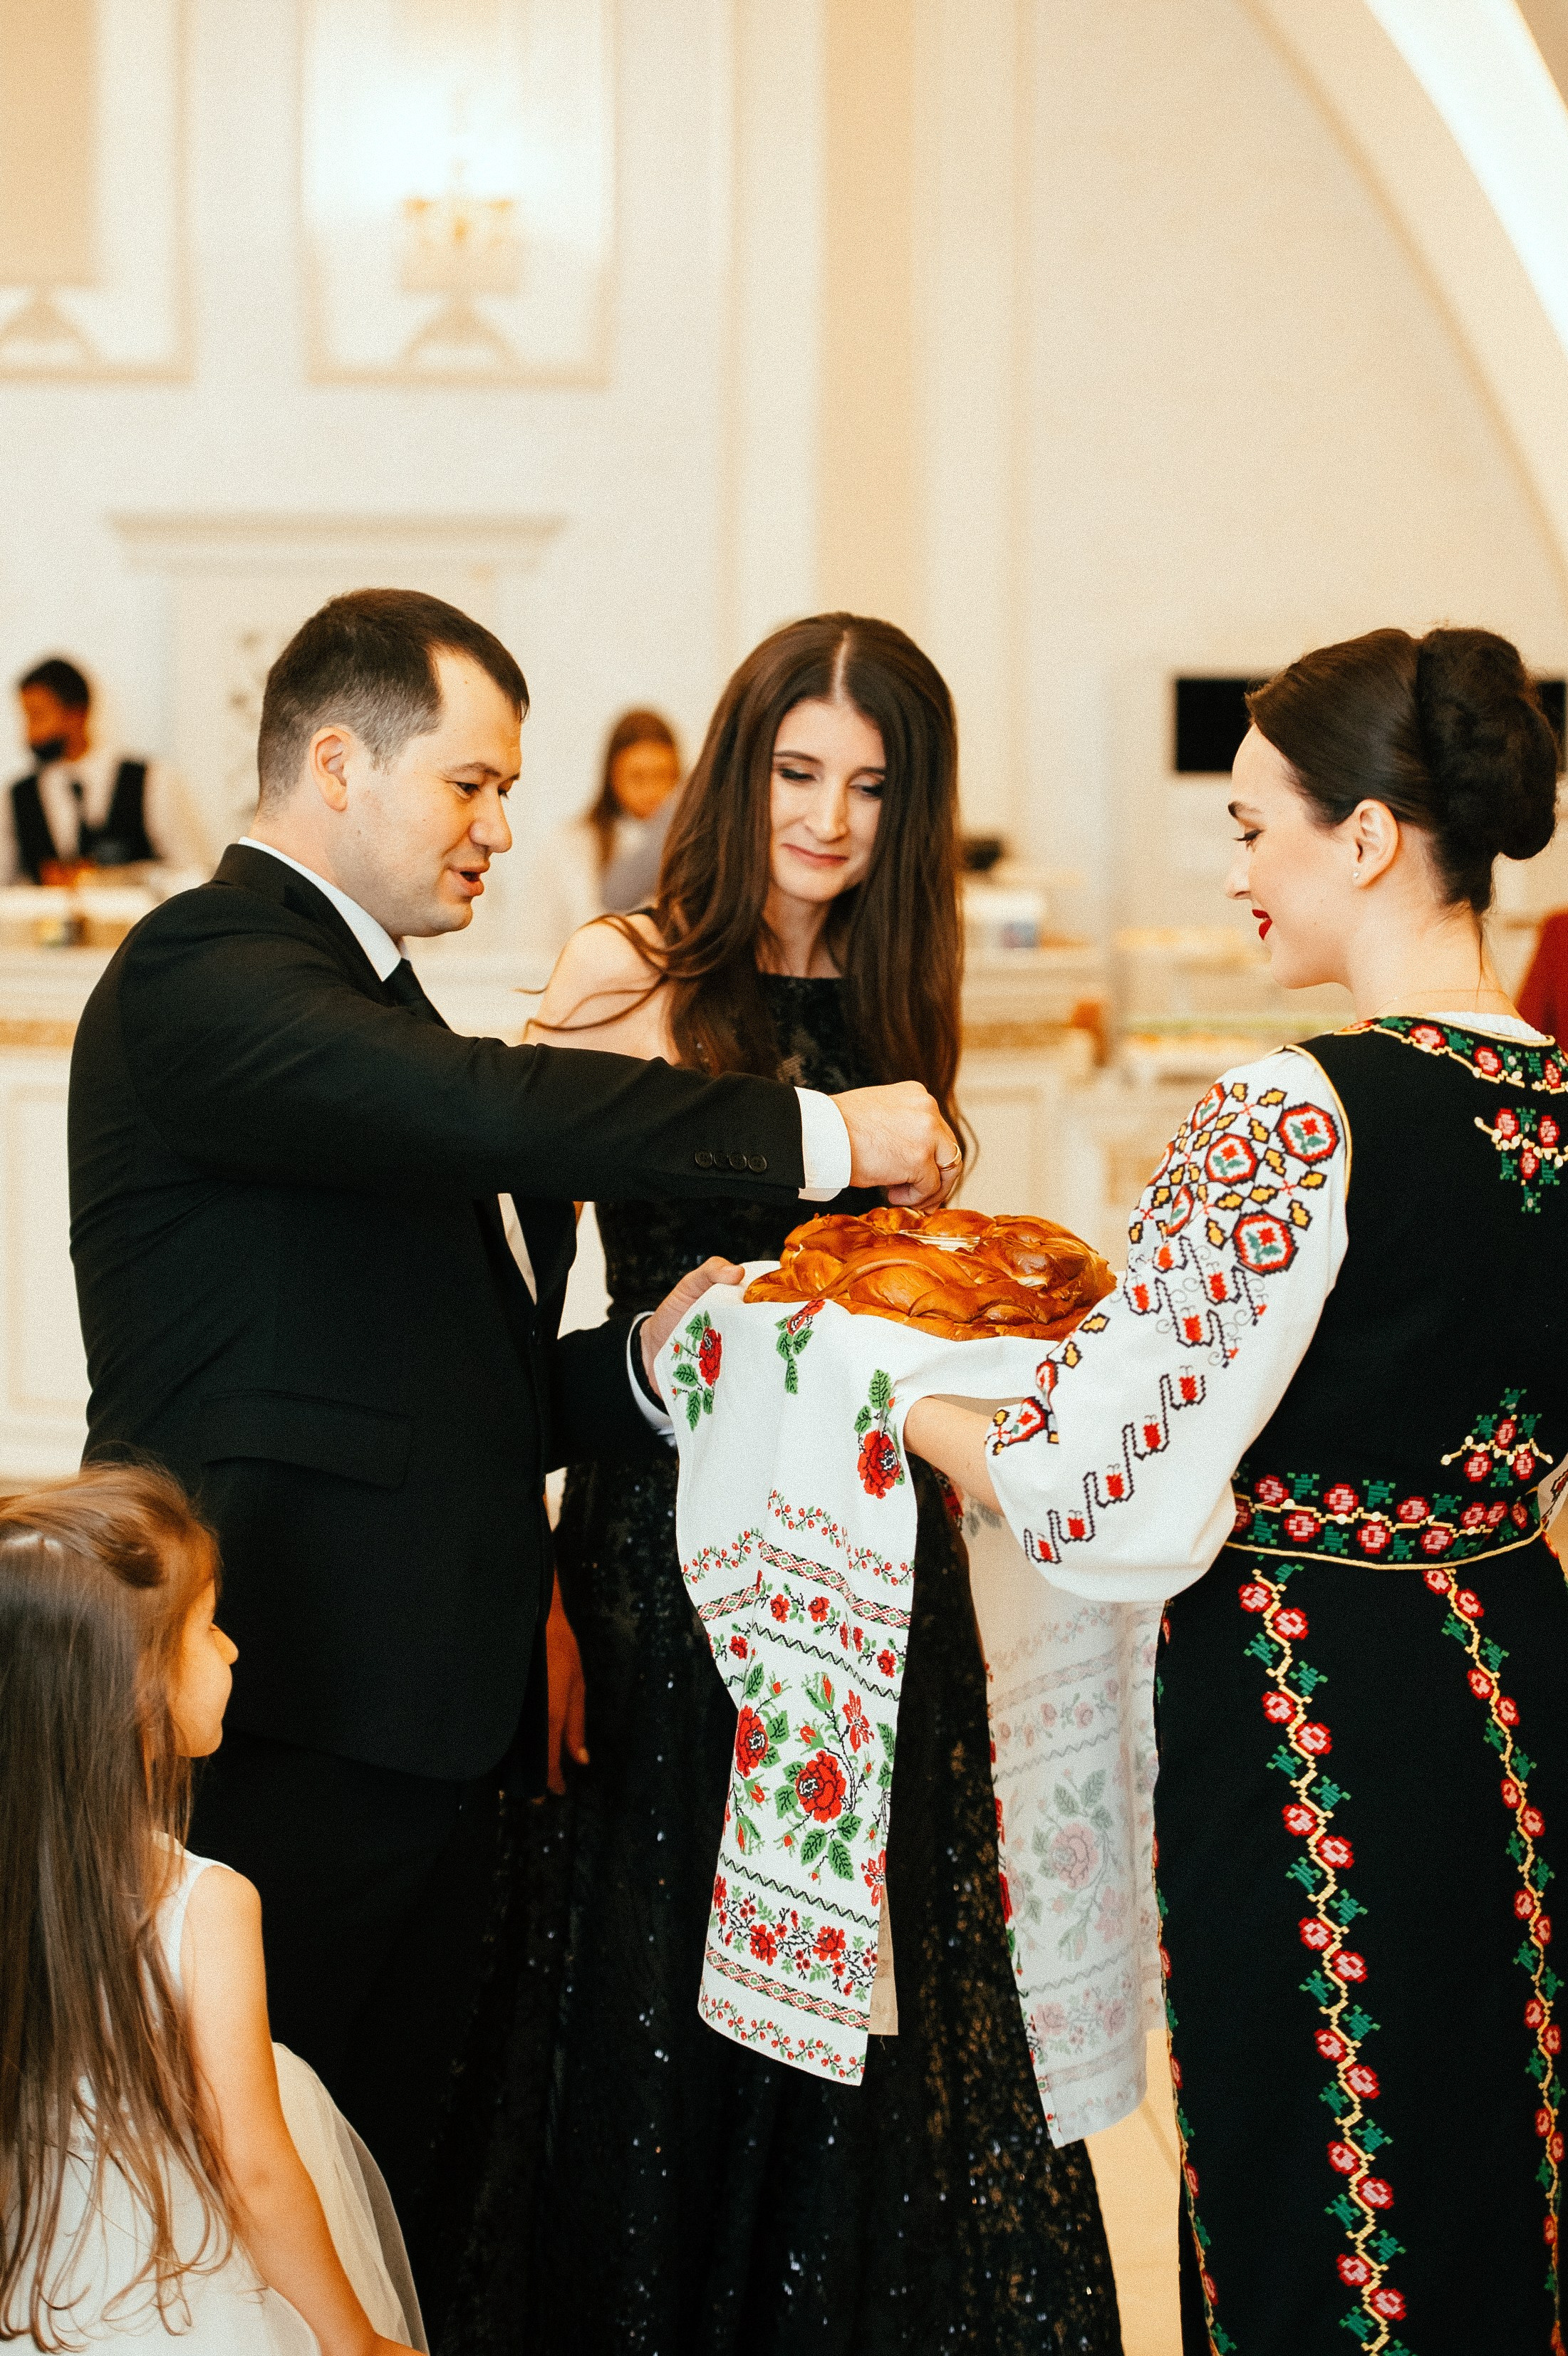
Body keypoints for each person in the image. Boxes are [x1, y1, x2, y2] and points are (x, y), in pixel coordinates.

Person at [66, 588, 957, 2295]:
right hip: (290, 1694)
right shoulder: (203, 970)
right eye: (470, 785)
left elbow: (443, 1386)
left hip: (436, 1717)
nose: (501, 828)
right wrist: (822, 1130)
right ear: (338, 760)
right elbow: (486, 1108)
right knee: (246, 2202)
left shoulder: (378, 1013)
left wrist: (639, 1363)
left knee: (392, 2192)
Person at [433, 613, 1120, 2355]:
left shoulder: (898, 1002)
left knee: (879, 1997)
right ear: (739, 772)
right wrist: (531, 1594)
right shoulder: (627, 972)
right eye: (798, 771)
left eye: (872, 785)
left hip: (875, 1580)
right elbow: (512, 1328)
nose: (826, 817)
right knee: (661, 1993)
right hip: (664, 1576)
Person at [905, 626, 1568, 2350]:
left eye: (1254, 825)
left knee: (1321, 2174)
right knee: (1508, 2149)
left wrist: (905, 1393)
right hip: (1520, 1657)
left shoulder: (1291, 1110)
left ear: (1364, 839)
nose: (1232, 869)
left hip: (1309, 1701)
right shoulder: (1561, 1108)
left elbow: (1098, 1487)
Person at [0, 1463, 420, 2353]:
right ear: (134, 1694)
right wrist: (356, 2341)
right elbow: (256, 2172)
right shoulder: (206, 1904)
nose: (232, 1649)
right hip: (179, 2293)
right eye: (207, 1628)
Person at [6, 655, 210, 883]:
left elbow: (193, 873)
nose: (29, 735)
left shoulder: (152, 779)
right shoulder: (18, 795)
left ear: (77, 714)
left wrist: (113, 877)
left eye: (37, 717)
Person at [526, 708, 684, 973]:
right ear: (612, 776)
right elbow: (540, 944)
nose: (652, 791)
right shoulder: (570, 846)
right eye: (637, 777)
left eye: (663, 776)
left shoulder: (692, 847)